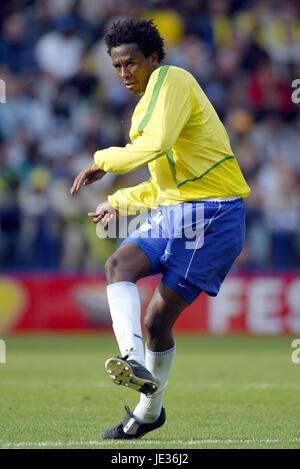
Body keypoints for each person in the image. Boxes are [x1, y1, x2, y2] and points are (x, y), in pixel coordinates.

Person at [70, 18, 251, 440]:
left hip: (214, 216)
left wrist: (102, 159)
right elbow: (163, 185)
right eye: (116, 66)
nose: (124, 73)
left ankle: (148, 411)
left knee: (156, 323)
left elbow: (156, 147)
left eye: (132, 63)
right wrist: (116, 201)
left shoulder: (174, 80)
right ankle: (131, 360)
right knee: (119, 264)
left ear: (154, 58)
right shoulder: (144, 108)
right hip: (179, 210)